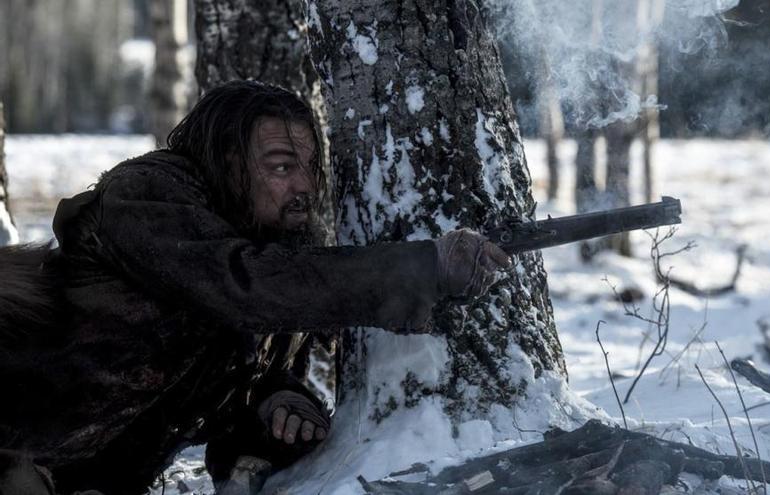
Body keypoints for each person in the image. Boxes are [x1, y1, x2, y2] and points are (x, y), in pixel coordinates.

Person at [0, 80, 511, 495]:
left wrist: (277, 407)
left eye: (310, 169)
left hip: (79, 476)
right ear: (227, 162)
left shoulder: (272, 253)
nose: (305, 188)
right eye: (282, 167)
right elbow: (241, 286)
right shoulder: (147, 195)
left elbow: (230, 381)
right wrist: (422, 267)